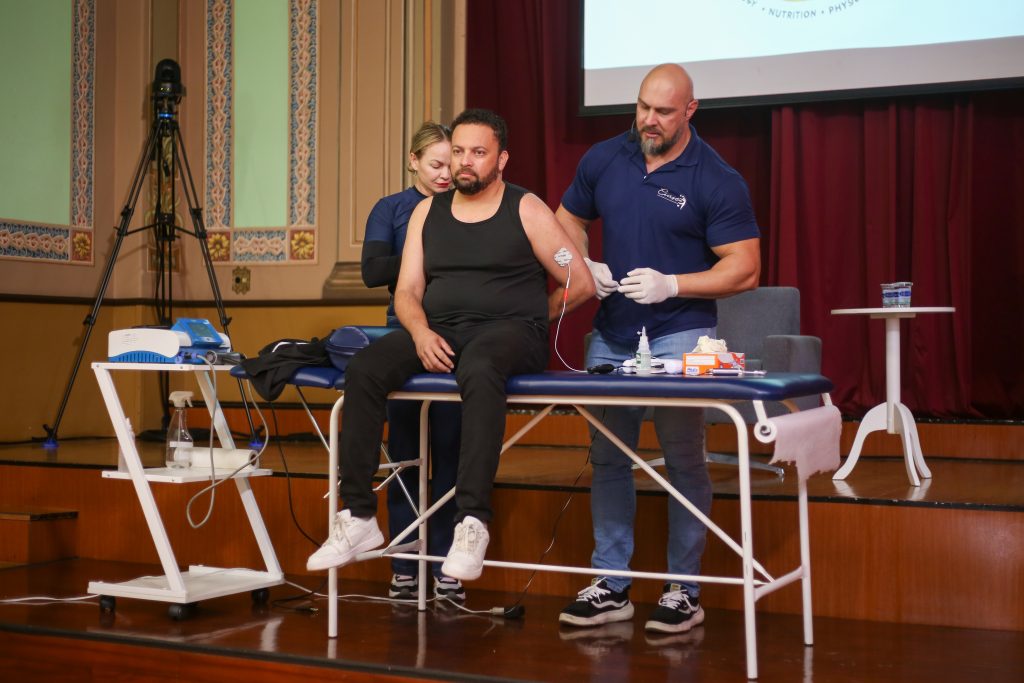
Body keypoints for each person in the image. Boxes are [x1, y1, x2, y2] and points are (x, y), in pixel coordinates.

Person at [307, 108, 595, 582]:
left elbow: (579, 281)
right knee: (364, 368)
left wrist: (531, 318)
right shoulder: (427, 212)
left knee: (479, 365)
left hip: (509, 334)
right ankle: (358, 516)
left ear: (501, 159)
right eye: (459, 151)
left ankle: (472, 522)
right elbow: (406, 290)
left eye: (478, 152)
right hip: (439, 330)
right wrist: (420, 333)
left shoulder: (526, 208)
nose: (465, 161)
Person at [555, 64, 761, 633]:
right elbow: (566, 219)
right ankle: (611, 584)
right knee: (608, 457)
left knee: (683, 457)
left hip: (681, 331)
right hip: (612, 331)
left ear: (690, 111)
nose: (649, 120)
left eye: (663, 112)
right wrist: (582, 262)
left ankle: (682, 591)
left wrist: (674, 283)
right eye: (643, 106)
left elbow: (745, 268)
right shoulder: (605, 157)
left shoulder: (716, 178)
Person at [360, 121, 465, 603]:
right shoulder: (392, 208)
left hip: (455, 332)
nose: (445, 174)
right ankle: (405, 564)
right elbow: (371, 271)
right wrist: (420, 252)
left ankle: (447, 566)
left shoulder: (468, 205)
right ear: (414, 161)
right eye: (436, 164)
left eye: (451, 164)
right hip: (403, 329)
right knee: (404, 455)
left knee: (451, 453)